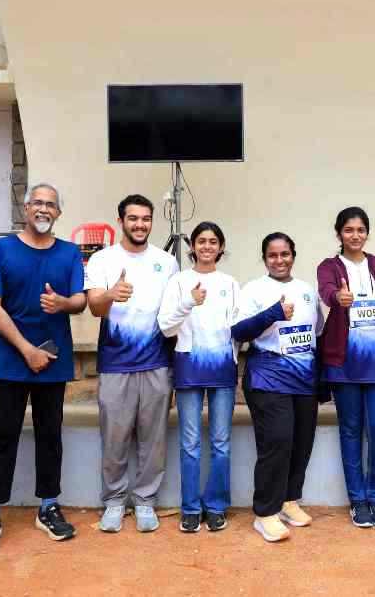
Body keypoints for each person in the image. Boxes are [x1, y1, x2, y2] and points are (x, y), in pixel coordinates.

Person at [0, 183, 86, 551]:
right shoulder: (1, 249)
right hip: (10, 359)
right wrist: (26, 350)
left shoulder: (69, 253)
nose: (43, 209)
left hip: (53, 360)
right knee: (3, 434)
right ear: (25, 207)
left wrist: (63, 304)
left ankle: (48, 506)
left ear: (58, 213)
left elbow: (80, 300)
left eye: (50, 204)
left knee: (50, 434)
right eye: (37, 202)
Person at [85, 195, 178, 534]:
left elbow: (171, 315)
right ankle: (113, 501)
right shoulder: (102, 259)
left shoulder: (167, 262)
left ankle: (145, 501)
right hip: (115, 363)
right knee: (115, 436)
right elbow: (94, 307)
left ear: (152, 222)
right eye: (133, 218)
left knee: (153, 439)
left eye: (146, 219)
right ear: (121, 220)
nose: (140, 224)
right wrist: (111, 294)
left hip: (156, 363)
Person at [231, 233, 324, 542]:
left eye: (285, 254)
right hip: (268, 378)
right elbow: (239, 331)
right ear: (264, 258)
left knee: (301, 442)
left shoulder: (306, 290)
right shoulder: (253, 290)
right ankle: (265, 513)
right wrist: (272, 313)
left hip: (304, 379)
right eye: (273, 255)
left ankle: (288, 501)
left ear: (293, 256)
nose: (279, 260)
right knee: (277, 442)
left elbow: (316, 333)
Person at [316, 207, 375, 528]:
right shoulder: (329, 266)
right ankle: (358, 501)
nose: (355, 235)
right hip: (344, 365)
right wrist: (338, 296)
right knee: (350, 431)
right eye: (348, 230)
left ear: (367, 233)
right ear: (339, 234)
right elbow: (325, 292)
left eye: (360, 230)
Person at [158, 221, 239, 533]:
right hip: (189, 368)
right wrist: (189, 301)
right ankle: (190, 508)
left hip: (222, 370)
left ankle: (216, 506)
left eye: (213, 241)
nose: (207, 246)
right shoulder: (179, 282)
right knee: (190, 443)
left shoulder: (230, 283)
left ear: (220, 247)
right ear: (192, 246)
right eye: (201, 241)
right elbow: (166, 326)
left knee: (221, 442)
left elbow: (239, 326)